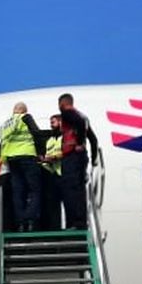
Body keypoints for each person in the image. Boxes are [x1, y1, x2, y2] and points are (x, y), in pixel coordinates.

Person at [57, 93, 101, 231]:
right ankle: (81, 222)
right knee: (79, 190)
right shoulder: (83, 116)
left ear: (62, 104)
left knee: (68, 190)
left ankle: (72, 223)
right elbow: (93, 140)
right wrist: (93, 158)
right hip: (82, 157)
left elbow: (79, 124)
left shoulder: (68, 113)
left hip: (72, 156)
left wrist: (79, 142)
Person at [0, 102, 44, 232]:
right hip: (27, 156)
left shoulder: (5, 125)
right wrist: (41, 153)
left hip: (12, 159)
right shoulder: (26, 118)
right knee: (35, 190)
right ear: (24, 111)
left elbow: (1, 142)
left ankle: (20, 223)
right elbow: (37, 134)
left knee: (18, 192)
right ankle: (29, 219)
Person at [39, 114, 66, 232]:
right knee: (52, 203)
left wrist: (53, 158)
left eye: (53, 122)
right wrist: (43, 160)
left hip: (64, 173)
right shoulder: (50, 140)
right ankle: (54, 227)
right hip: (53, 174)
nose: (51, 125)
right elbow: (48, 155)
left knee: (67, 202)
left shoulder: (65, 137)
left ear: (61, 123)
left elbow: (67, 153)